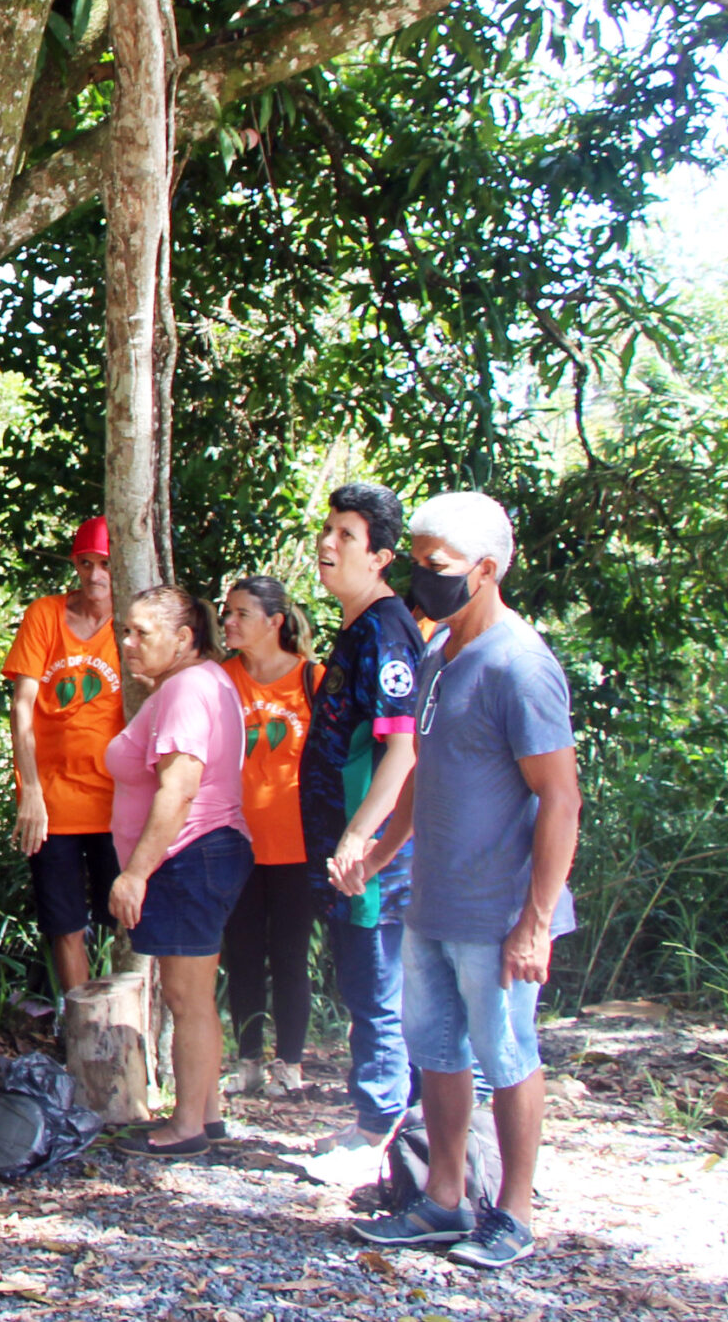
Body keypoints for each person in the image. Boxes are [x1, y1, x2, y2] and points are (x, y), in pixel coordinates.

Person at [345, 493, 580, 1269]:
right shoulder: (441, 654)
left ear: (485, 570)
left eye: (436, 564)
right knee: (437, 1048)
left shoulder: (520, 664)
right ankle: (443, 1197)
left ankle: (512, 1211)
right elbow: (424, 769)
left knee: (506, 1052)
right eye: (414, 558)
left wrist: (536, 919)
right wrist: (380, 853)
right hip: (432, 901)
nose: (420, 575)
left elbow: (560, 796)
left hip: (497, 909)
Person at [297, 482, 428, 1177]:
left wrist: (359, 841)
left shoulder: (386, 630)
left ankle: (383, 1134)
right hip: (345, 852)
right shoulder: (358, 628)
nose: (328, 543)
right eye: (328, 529)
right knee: (361, 982)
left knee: (375, 987)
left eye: (346, 534)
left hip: (373, 859)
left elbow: (402, 749)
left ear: (379, 555)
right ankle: (388, 1125)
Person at [104, 585, 252, 1156]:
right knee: (191, 995)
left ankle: (188, 1126)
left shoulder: (189, 688)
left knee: (187, 999)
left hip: (189, 856)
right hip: (199, 856)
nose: (128, 642)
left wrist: (136, 873)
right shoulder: (195, 682)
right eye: (127, 631)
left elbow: (180, 787)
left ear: (184, 639)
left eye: (143, 633)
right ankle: (204, 1112)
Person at [3, 516, 127, 997]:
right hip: (53, 800)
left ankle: (129, 1027)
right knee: (65, 923)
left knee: (126, 918)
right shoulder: (46, 614)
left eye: (106, 565)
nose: (95, 575)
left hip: (116, 800)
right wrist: (30, 791)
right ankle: (83, 1030)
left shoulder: (132, 626)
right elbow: (22, 703)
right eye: (85, 563)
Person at [216, 575, 318, 1099]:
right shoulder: (220, 678)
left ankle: (291, 1063)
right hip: (238, 842)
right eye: (226, 613)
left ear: (275, 622)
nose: (228, 622)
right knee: (243, 952)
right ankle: (249, 1060)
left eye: (241, 614)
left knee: (289, 954)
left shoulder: (313, 680)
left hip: (297, 845)